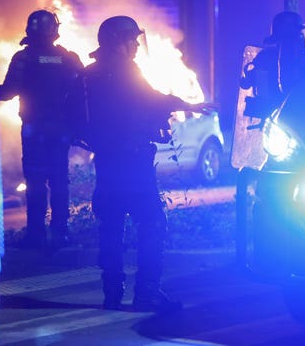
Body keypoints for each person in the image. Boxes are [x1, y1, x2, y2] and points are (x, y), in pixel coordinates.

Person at [79, 15, 213, 312]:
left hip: (107, 164)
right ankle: (147, 293)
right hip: (134, 164)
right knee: (152, 224)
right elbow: (152, 99)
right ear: (117, 43)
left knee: (111, 228)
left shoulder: (89, 75)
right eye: (132, 40)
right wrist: (187, 104)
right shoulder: (127, 71)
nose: (137, 45)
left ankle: (112, 294)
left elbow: (77, 122)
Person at [0, 9, 84, 250]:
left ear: (29, 31)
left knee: (35, 182)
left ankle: (35, 235)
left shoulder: (23, 59)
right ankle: (61, 234)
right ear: (55, 31)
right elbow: (83, 91)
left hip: (34, 131)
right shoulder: (68, 58)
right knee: (59, 181)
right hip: (61, 131)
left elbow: (7, 92)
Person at [240, 11, 305, 107]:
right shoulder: (266, 56)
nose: (300, 38)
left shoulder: (301, 59)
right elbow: (249, 83)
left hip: (296, 108)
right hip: (275, 112)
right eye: (297, 35)